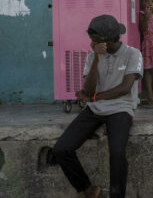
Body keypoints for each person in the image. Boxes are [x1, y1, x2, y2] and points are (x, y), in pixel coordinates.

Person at [52, 14, 143, 198]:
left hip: (121, 108)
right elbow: (89, 88)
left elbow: (125, 88)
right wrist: (96, 59)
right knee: (61, 149)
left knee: (117, 152)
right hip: (95, 109)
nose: (91, 43)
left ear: (107, 41)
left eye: (93, 40)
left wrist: (93, 98)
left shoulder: (132, 54)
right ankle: (88, 189)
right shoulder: (93, 57)